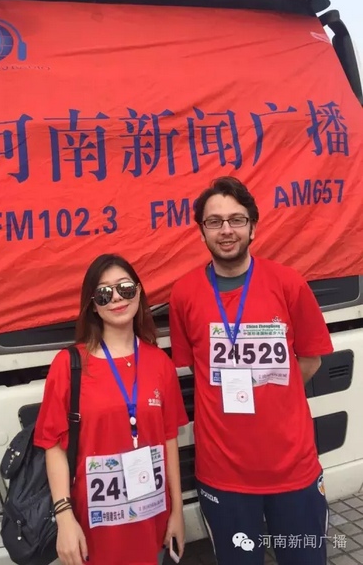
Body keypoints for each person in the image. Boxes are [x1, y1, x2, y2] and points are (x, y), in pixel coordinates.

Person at [169, 176, 334, 565]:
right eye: (214, 222)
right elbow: (194, 366)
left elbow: (310, 359)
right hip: (223, 475)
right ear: (202, 231)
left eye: (237, 219)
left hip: (293, 469)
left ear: (253, 227)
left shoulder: (288, 283)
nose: (226, 230)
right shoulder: (184, 294)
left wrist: (274, 392)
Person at [34, 253, 188, 565]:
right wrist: (64, 518)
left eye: (125, 288)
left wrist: (178, 511)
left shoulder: (160, 363)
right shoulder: (69, 365)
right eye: (104, 293)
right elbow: (53, 445)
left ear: (139, 293)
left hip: (152, 521)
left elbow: (169, 440)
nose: (117, 298)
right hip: (94, 530)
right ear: (93, 305)